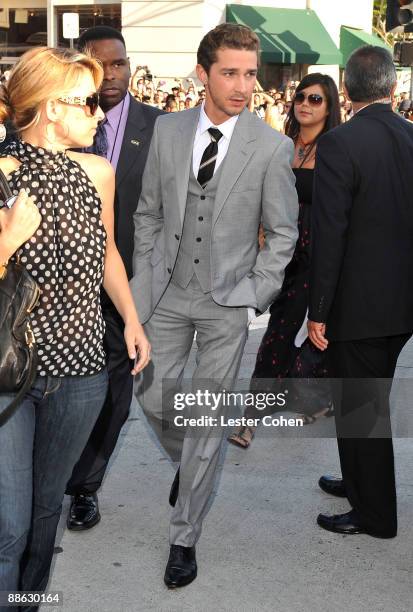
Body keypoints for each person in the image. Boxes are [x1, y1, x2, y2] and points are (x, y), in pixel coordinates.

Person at [130, 22, 298, 588]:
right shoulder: (169, 131)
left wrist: (256, 292)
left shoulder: (272, 146)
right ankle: (191, 467)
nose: (243, 85)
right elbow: (149, 211)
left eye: (250, 74)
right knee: (152, 398)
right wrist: (143, 279)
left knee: (204, 419)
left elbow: (283, 234)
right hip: (166, 295)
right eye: (230, 72)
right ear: (202, 74)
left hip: (228, 302)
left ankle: (184, 537)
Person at [0, 46, 150, 606]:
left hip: (83, 369)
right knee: (9, 525)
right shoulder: (0, 173)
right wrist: (7, 239)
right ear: (48, 108)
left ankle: (27, 602)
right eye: (87, 102)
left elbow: (109, 251)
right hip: (10, 373)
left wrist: (131, 319)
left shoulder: (99, 172)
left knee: (45, 513)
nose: (101, 112)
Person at [308, 45, 413, 538]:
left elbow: (331, 233)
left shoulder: (340, 144)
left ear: (346, 90)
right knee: (364, 404)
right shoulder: (411, 136)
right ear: (392, 88)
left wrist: (319, 309)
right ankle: (358, 482)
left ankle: (375, 515)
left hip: (361, 307)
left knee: (362, 410)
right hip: (401, 304)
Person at [63, 26, 163, 532]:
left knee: (113, 397)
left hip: (129, 284)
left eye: (121, 63)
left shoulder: (160, 126)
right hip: (62, 288)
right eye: (102, 64)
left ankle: (85, 487)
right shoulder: (56, 124)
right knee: (62, 391)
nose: (114, 74)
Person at [228, 73, 341, 449]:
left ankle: (260, 417)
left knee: (311, 338)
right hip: (279, 256)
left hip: (315, 257)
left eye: (316, 99)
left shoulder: (334, 150)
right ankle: (273, 411)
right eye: (301, 97)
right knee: (277, 336)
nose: (305, 104)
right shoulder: (281, 145)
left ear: (330, 107)